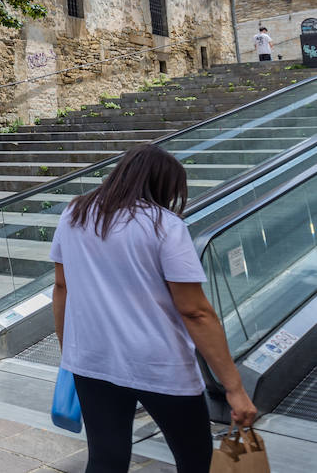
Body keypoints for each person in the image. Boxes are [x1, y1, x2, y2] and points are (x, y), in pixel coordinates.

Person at [51, 144, 258, 472]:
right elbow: (195, 311)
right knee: (194, 460)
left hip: (92, 360)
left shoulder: (74, 214)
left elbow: (62, 287)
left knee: (106, 459)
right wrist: (234, 388)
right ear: (163, 186)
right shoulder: (165, 226)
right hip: (161, 365)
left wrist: (70, 356)